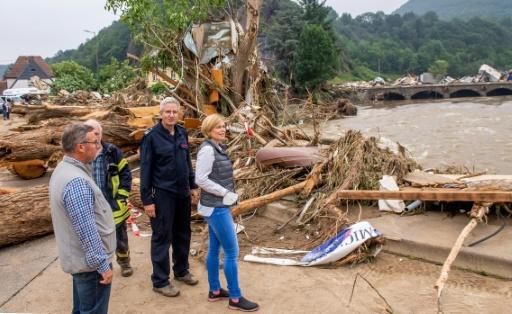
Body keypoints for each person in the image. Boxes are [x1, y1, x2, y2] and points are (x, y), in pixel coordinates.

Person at [49, 124, 115, 314]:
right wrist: (102, 266)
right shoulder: (77, 182)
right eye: (95, 142)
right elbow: (86, 229)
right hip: (90, 267)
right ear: (80, 147)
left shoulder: (64, 169)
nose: (98, 146)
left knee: (81, 309)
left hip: (81, 262)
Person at [195, 114, 259, 312]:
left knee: (215, 249)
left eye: (223, 126)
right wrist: (225, 193)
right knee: (232, 252)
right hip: (217, 208)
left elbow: (215, 175)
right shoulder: (207, 150)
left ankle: (214, 291)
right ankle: (235, 298)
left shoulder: (217, 147)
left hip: (215, 205)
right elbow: (201, 179)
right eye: (217, 127)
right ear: (208, 129)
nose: (222, 130)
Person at [140, 97, 199, 297]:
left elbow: (187, 162)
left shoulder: (182, 132)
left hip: (182, 192)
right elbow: (145, 170)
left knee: (183, 233)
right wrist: (147, 200)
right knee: (162, 236)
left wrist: (192, 185)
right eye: (168, 112)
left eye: (175, 112)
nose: (171, 115)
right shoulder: (151, 137)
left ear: (179, 113)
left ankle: (181, 271)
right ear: (161, 113)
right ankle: (160, 280)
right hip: (162, 194)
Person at [84, 119, 134, 277]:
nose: (94, 137)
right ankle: (101, 264)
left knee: (119, 235)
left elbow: (126, 174)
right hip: (91, 204)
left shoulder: (112, 151)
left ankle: (124, 263)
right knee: (95, 236)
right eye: (90, 134)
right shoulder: (82, 153)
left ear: (101, 133)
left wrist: (122, 196)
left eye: (97, 133)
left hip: (112, 203)